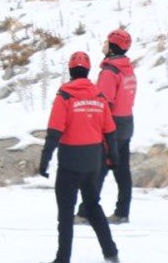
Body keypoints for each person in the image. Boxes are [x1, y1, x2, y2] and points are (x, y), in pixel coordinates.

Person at [38, 52, 120, 263]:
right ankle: (111, 253)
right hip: (93, 161)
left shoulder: (65, 95)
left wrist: (45, 159)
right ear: (88, 70)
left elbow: (55, 130)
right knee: (93, 206)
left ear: (70, 70)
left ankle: (62, 258)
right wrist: (113, 157)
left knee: (65, 214)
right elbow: (110, 130)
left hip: (69, 162)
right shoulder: (99, 96)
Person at [95, 29, 137, 224]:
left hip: (112, 125)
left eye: (106, 42)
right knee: (122, 171)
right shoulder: (127, 69)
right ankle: (122, 212)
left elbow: (104, 103)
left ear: (112, 47)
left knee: (97, 169)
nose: (103, 45)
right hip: (127, 122)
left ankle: (87, 211)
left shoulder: (109, 72)